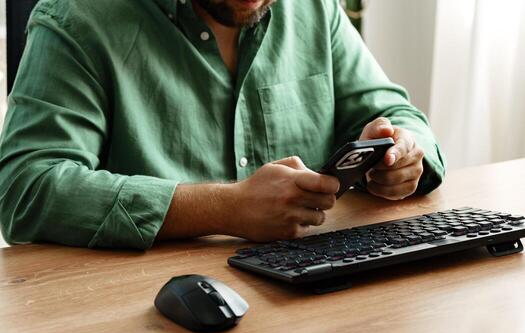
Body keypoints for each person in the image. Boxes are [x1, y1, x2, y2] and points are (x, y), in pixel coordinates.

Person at [0, 0, 446, 249]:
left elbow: (396, 114)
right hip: (144, 314)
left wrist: (402, 154)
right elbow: (26, 188)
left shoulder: (313, 8)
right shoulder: (77, 20)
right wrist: (223, 207)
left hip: (310, 295)